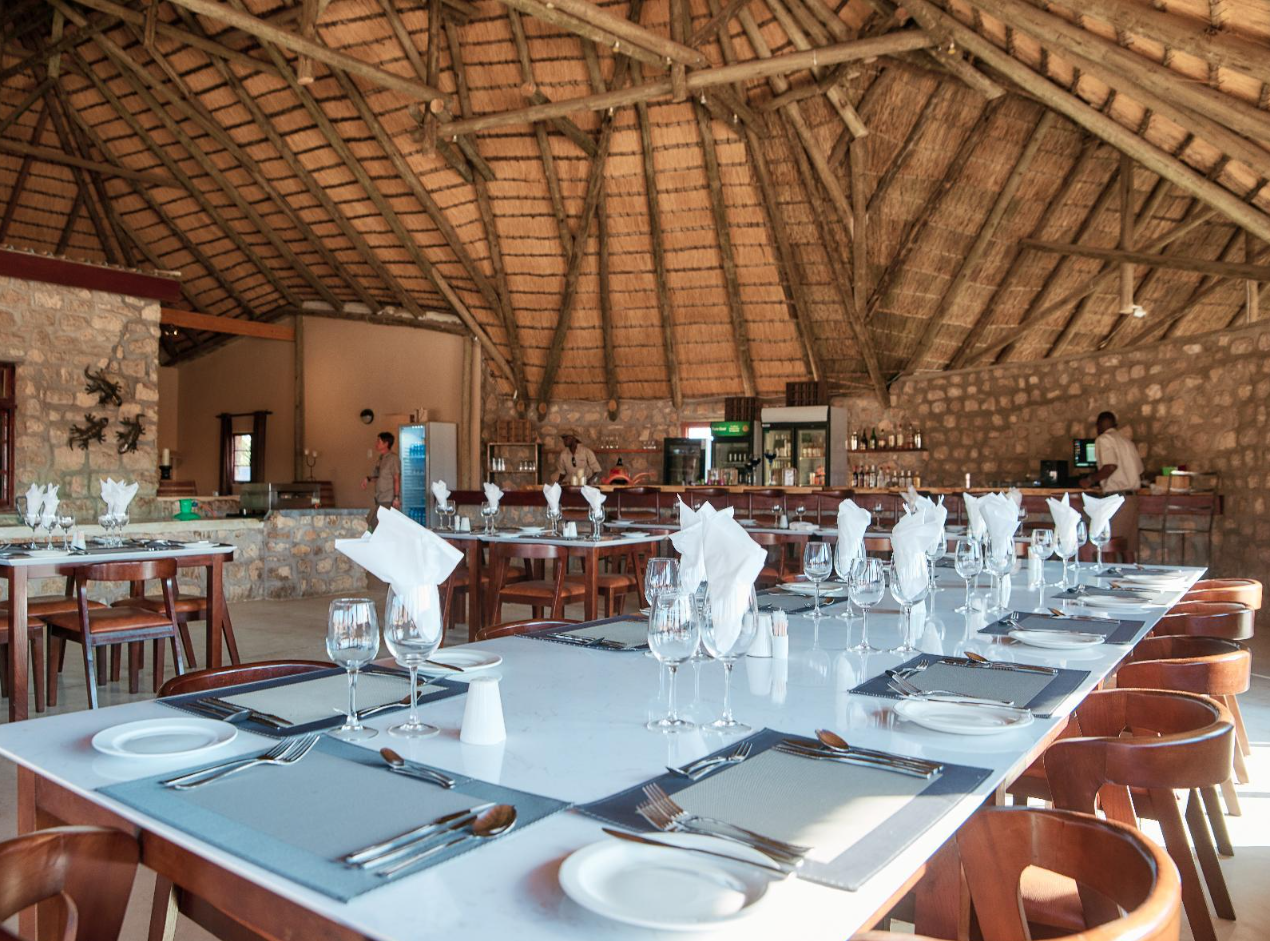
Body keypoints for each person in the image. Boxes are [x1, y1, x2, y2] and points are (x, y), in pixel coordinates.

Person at [1079, 411, 1145, 556]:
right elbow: (1140, 471)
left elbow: (1110, 467)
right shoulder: (1127, 442)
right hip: (1132, 499)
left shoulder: (1103, 439)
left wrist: (1089, 480)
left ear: (1098, 426)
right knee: (1127, 548)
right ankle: (1129, 570)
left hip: (1116, 499)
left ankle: (1109, 571)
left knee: (1109, 546)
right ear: (1115, 425)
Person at [360, 431, 400, 530]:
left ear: (386, 444)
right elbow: (378, 477)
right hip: (380, 497)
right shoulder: (381, 459)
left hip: (388, 498)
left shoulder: (393, 459)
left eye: (379, 441)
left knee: (373, 526)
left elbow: (396, 478)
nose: (376, 444)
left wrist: (396, 498)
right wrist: (368, 479)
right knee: (380, 526)